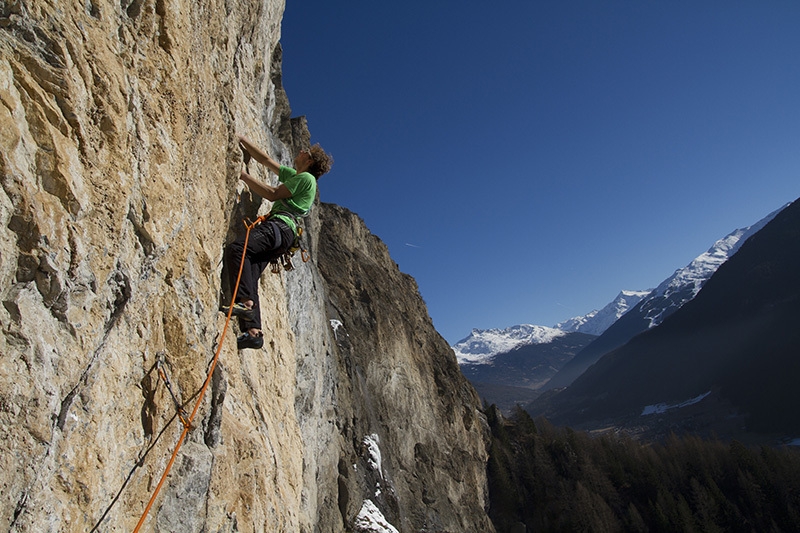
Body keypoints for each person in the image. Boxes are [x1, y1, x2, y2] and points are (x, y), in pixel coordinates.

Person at [223, 134, 333, 349]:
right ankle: (253, 331)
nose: (300, 152)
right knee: (250, 272)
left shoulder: (306, 179)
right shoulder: (297, 176)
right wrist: (244, 140)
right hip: (283, 236)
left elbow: (273, 194)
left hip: (279, 227)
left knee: (239, 249)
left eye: (305, 152)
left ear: (310, 161)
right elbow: (265, 160)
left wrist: (242, 175)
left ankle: (245, 303)